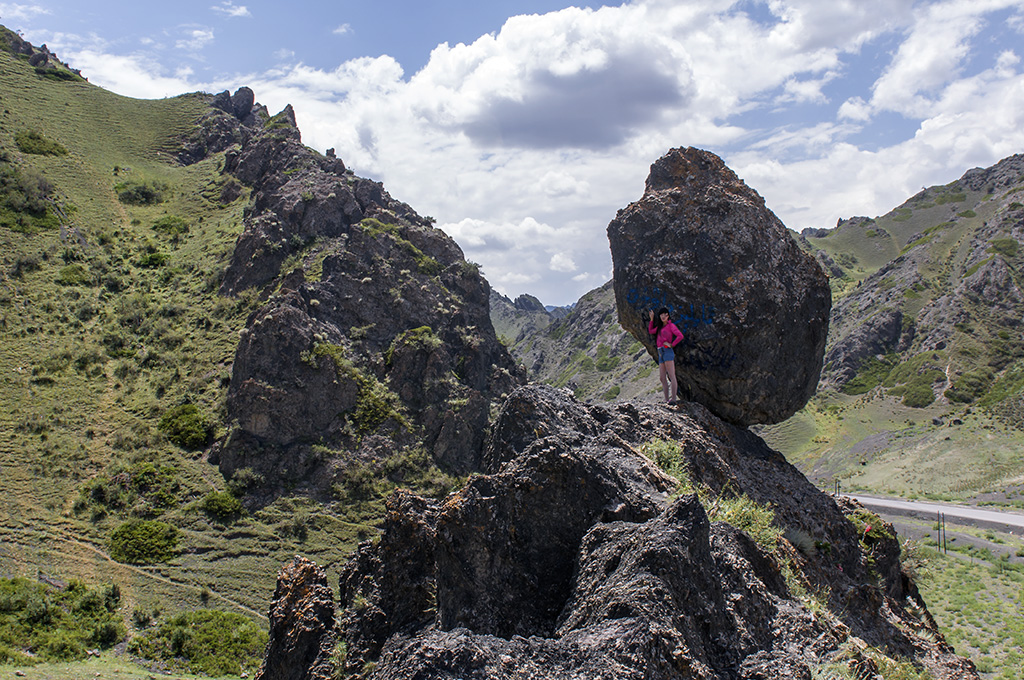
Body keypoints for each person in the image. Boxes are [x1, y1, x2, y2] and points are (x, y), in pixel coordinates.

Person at [648, 307, 684, 405]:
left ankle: (673, 399)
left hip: (667, 351)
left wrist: (672, 344)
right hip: (660, 352)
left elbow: (680, 336)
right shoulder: (660, 327)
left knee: (671, 376)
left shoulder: (671, 326)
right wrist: (651, 319)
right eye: (661, 315)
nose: (663, 317)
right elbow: (651, 331)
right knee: (662, 377)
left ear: (668, 316)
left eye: (665, 315)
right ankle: (666, 399)